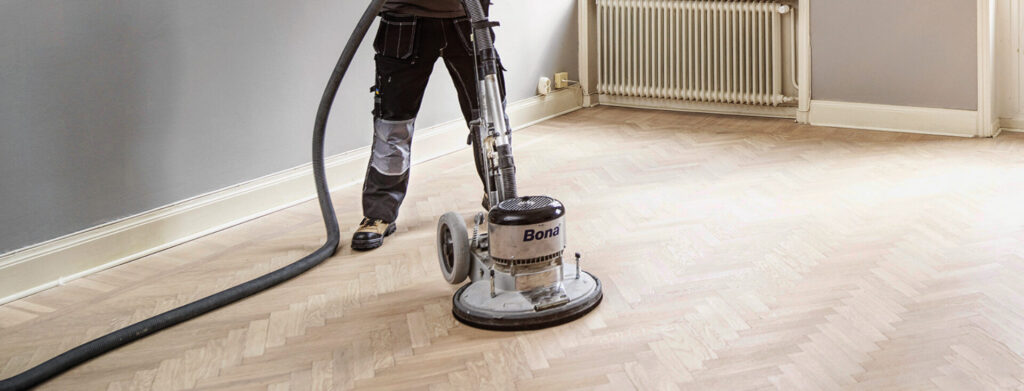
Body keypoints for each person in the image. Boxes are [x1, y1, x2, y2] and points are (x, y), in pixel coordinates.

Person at [352, 0, 508, 251]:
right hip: (404, 22)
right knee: (392, 125)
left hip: (467, 20)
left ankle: (499, 194)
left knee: (490, 120)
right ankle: (379, 212)